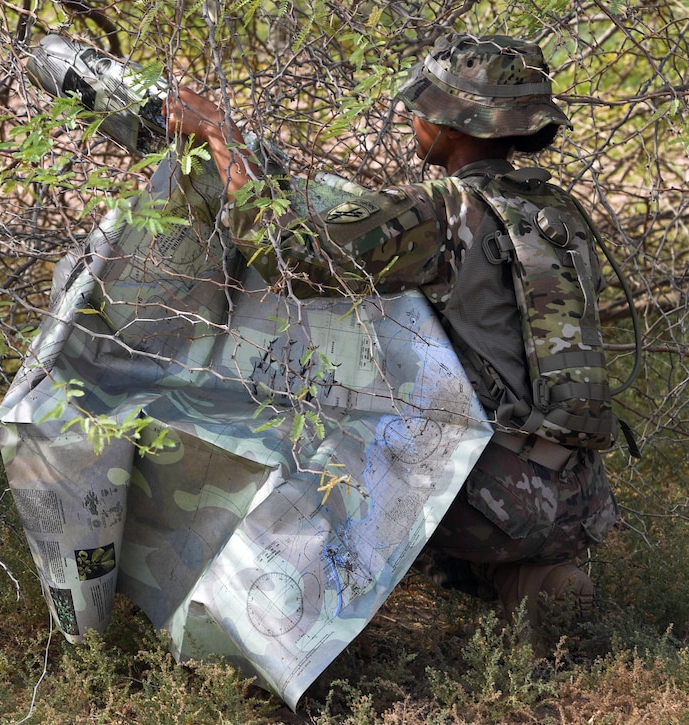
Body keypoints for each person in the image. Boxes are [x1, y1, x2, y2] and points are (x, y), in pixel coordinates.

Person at [165, 33, 621, 637]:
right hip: (578, 502)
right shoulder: (557, 212)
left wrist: (220, 137)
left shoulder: (444, 213)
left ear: (455, 125)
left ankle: (281, 632)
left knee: (319, 421)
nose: (412, 115)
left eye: (423, 106)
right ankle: (534, 585)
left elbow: (292, 254)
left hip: (495, 505)